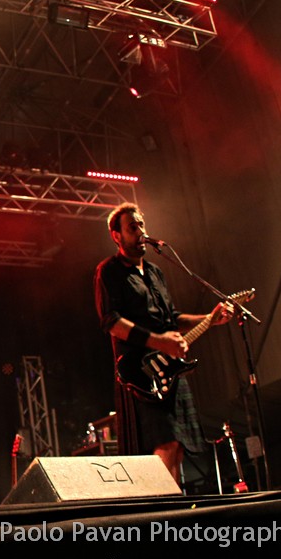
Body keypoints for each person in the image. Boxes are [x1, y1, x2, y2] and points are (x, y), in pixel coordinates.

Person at [94, 203, 231, 484]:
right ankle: (165, 508)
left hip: (170, 369)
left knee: (177, 448)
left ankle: (175, 504)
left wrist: (209, 319)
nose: (140, 232)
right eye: (132, 227)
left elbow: (172, 318)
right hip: (141, 372)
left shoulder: (155, 272)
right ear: (116, 236)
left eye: (141, 225)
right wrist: (158, 342)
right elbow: (111, 322)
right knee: (165, 444)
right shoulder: (109, 271)